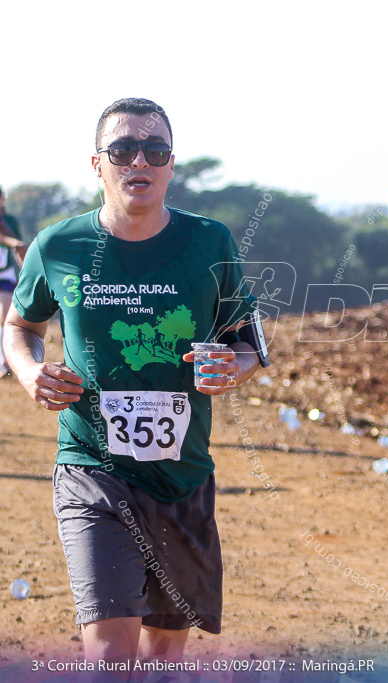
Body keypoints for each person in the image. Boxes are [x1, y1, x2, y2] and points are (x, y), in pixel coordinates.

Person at [2, 98, 263, 674]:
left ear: (172, 166)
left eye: (155, 149)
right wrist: (28, 371)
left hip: (183, 477)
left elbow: (248, 341)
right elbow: (20, 324)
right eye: (122, 149)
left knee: (161, 655)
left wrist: (232, 364)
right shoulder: (57, 245)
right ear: (97, 164)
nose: (138, 159)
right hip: (92, 470)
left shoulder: (210, 243)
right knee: (110, 653)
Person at [0, 185, 28, 376]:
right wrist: (12, 241)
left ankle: (6, 363)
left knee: (5, 319)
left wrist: (23, 276)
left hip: (6, 274)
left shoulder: (10, 220)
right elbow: (12, 241)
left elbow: (19, 247)